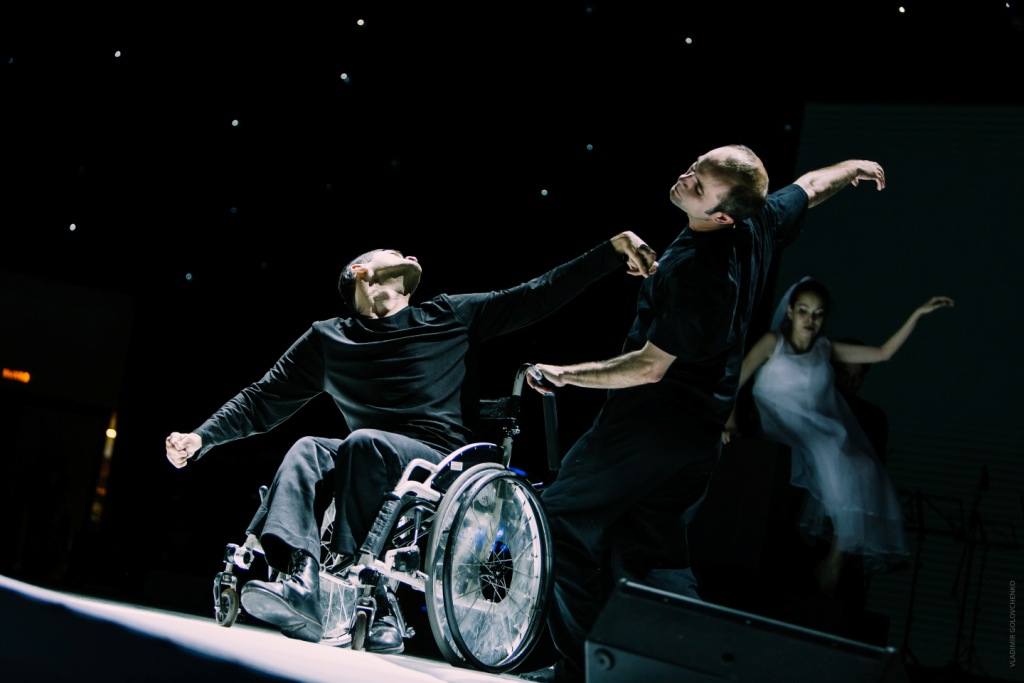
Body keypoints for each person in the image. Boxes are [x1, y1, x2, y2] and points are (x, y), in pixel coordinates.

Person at [164, 232, 658, 651]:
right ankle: (302, 578)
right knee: (307, 449)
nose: (411, 254)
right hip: (367, 457)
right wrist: (202, 436)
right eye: (394, 252)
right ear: (361, 272)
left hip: (441, 462)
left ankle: (356, 586)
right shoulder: (328, 339)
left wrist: (610, 251)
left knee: (363, 443)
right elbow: (262, 399)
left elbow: (537, 294)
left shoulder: (448, 315)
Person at [523, 144, 886, 683]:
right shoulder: (758, 220)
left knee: (557, 526)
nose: (685, 178)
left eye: (698, 184)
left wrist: (567, 373)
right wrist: (851, 168)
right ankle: (677, 671)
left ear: (722, 216)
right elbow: (810, 187)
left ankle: (584, 671)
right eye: (694, 167)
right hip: (697, 439)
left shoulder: (700, 272)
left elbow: (650, 367)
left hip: (647, 429)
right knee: (650, 557)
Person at [722, 278, 954, 598]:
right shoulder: (773, 342)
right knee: (834, 456)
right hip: (778, 424)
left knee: (863, 468)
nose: (810, 320)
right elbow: (734, 379)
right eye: (803, 311)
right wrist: (730, 422)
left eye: (818, 314)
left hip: (815, 428)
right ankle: (824, 566)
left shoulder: (825, 348)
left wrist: (918, 313)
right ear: (790, 311)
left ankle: (833, 563)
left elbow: (883, 353)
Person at [831, 336, 890, 464]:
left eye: (857, 376)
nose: (850, 382)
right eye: (844, 374)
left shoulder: (874, 417)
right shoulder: (815, 407)